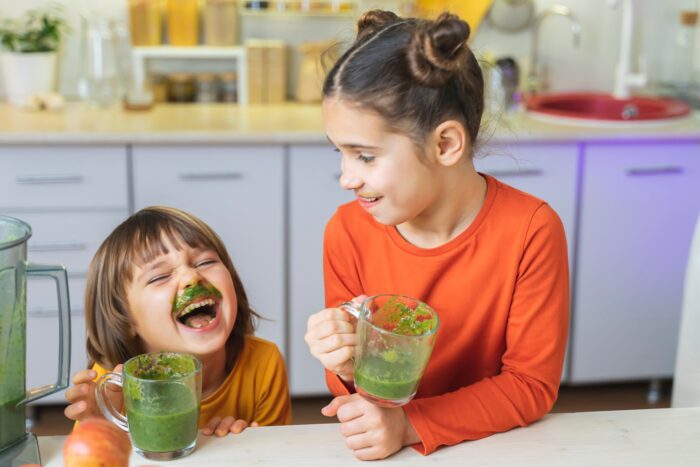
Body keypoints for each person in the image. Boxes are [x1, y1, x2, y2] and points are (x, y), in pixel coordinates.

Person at [304, 10, 569, 460]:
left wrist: (411, 425)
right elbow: (359, 395)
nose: (346, 178)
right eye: (341, 154)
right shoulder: (346, 231)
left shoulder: (531, 231)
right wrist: (346, 361)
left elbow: (530, 385)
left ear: (445, 144)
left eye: (365, 157)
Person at [64, 206, 291, 435]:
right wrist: (99, 429)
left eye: (204, 262)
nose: (192, 277)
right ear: (125, 319)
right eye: (160, 276)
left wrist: (242, 446)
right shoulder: (112, 384)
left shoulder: (263, 364)